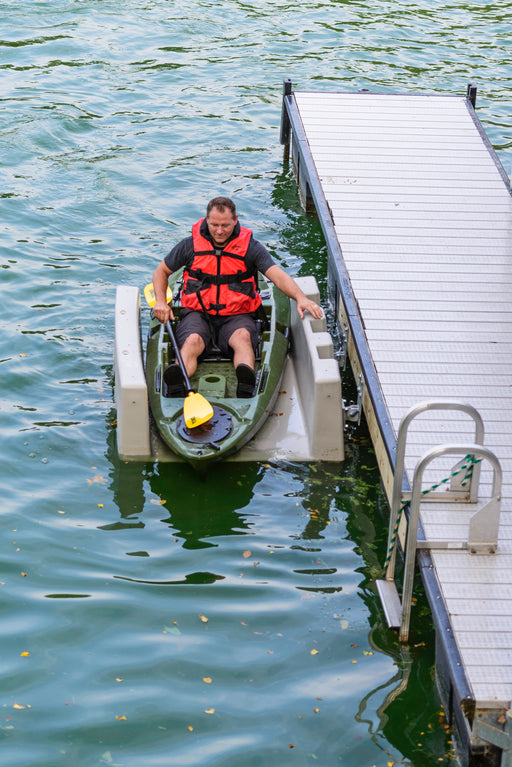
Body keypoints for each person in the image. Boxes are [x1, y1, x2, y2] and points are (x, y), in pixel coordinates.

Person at [152, 196, 323, 398]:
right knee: (192, 341)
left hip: (238, 314)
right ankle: (178, 381)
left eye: (225, 225)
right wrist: (161, 302)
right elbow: (161, 272)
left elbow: (276, 275)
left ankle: (246, 381)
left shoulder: (251, 247)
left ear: (235, 220)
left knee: (242, 338)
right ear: (206, 220)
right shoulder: (190, 246)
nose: (219, 230)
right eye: (214, 224)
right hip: (197, 313)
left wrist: (300, 297)